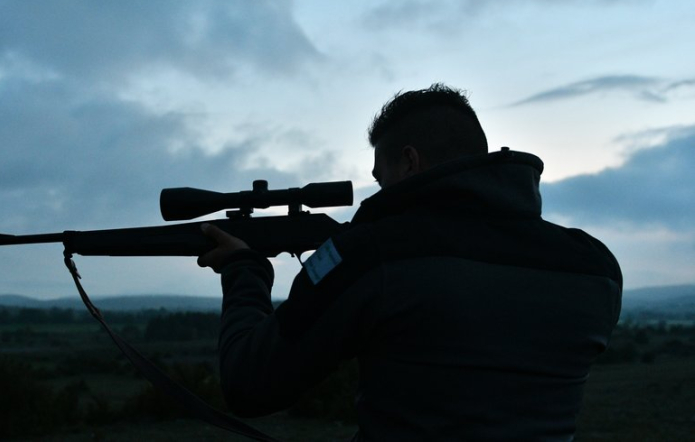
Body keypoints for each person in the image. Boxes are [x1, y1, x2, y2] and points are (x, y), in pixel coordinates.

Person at [197, 83, 622, 441]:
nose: (376, 193)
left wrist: (244, 271)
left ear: (409, 161)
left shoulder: (371, 255)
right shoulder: (594, 267)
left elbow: (249, 384)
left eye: (380, 178)